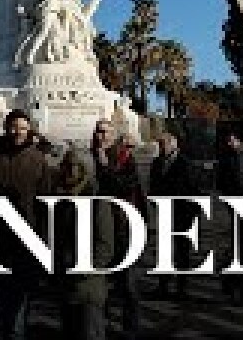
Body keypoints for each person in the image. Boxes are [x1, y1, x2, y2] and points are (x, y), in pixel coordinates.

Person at [0, 109, 54, 340]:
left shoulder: (38, 159)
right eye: (14, 127)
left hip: (22, 241)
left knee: (15, 307)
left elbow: (44, 202)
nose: (18, 132)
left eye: (23, 128)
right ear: (6, 128)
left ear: (29, 130)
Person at [51, 148, 114, 340]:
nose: (71, 172)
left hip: (87, 283)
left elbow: (105, 244)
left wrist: (84, 269)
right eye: (67, 166)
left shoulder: (96, 201)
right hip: (65, 281)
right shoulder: (61, 198)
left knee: (90, 332)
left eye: (76, 167)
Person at [91, 121, 144, 339]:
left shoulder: (125, 159)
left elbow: (122, 187)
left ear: (114, 136)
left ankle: (130, 329)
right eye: (99, 131)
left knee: (129, 287)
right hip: (96, 230)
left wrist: (104, 166)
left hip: (124, 228)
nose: (102, 136)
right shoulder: (86, 157)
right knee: (97, 286)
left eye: (107, 132)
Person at [148, 132, 201, 300]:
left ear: (174, 144)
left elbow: (194, 190)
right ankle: (163, 285)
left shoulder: (185, 163)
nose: (161, 147)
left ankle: (181, 288)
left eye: (164, 143)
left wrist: (192, 213)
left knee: (182, 252)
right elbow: (153, 185)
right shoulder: (157, 163)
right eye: (160, 144)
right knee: (163, 250)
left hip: (182, 214)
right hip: (164, 212)